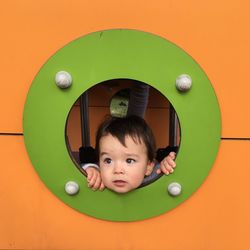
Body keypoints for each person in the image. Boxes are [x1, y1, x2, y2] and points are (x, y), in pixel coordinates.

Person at [83, 115, 176, 193]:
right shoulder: (101, 177)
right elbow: (79, 168)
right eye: (108, 160)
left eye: (129, 160)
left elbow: (164, 171)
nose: (118, 170)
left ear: (148, 166)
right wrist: (91, 169)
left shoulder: (154, 176)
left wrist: (167, 164)